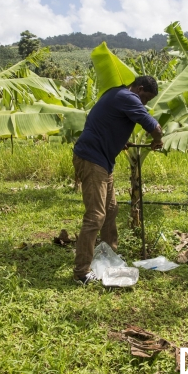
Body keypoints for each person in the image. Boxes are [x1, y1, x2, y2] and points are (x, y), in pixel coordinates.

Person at [72, 76, 163, 285]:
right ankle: (81, 272)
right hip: (92, 159)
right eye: (146, 99)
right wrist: (158, 140)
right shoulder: (129, 98)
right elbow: (155, 128)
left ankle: (108, 255)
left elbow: (105, 122)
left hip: (102, 160)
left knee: (111, 209)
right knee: (95, 216)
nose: (145, 104)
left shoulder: (115, 93)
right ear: (139, 89)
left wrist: (119, 140)